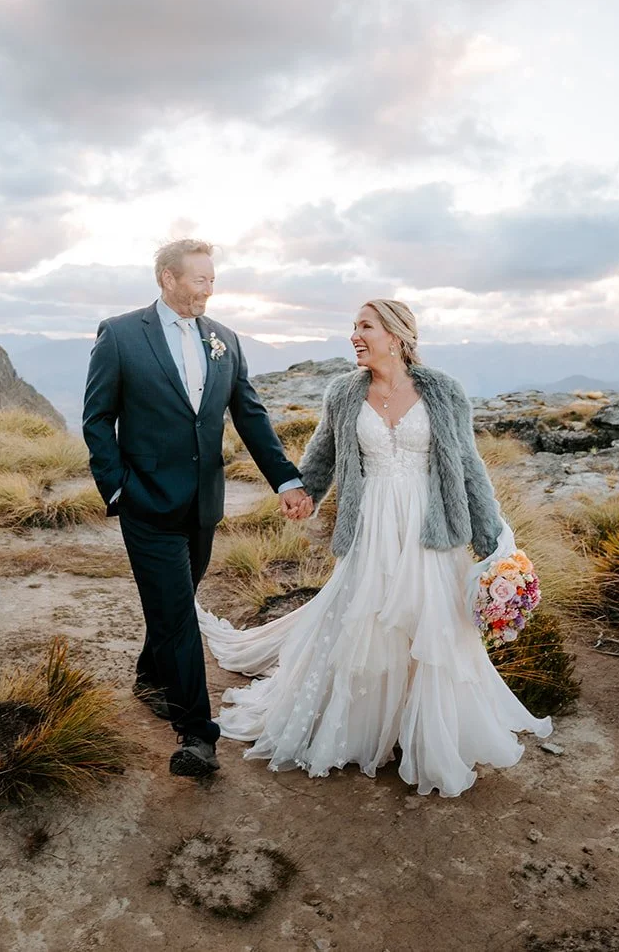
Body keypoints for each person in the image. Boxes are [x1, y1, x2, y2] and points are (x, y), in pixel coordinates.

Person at [197, 299, 552, 797]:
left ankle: (424, 729)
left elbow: (469, 469)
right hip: (371, 527)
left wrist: (493, 543)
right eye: (354, 327)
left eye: (365, 327)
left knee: (428, 629)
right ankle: (365, 727)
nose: (354, 336)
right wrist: (301, 494)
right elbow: (322, 457)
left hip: (429, 529)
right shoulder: (344, 392)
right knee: (365, 623)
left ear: (397, 335)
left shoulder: (444, 392)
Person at [82, 240, 314, 778]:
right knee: (179, 616)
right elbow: (98, 418)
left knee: (174, 603)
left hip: (204, 504)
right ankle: (196, 735)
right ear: (167, 278)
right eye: (201, 279)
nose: (211, 288)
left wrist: (286, 480)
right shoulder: (119, 335)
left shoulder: (225, 340)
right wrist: (118, 490)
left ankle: (149, 677)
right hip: (146, 504)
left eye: (213, 279)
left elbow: (251, 416)